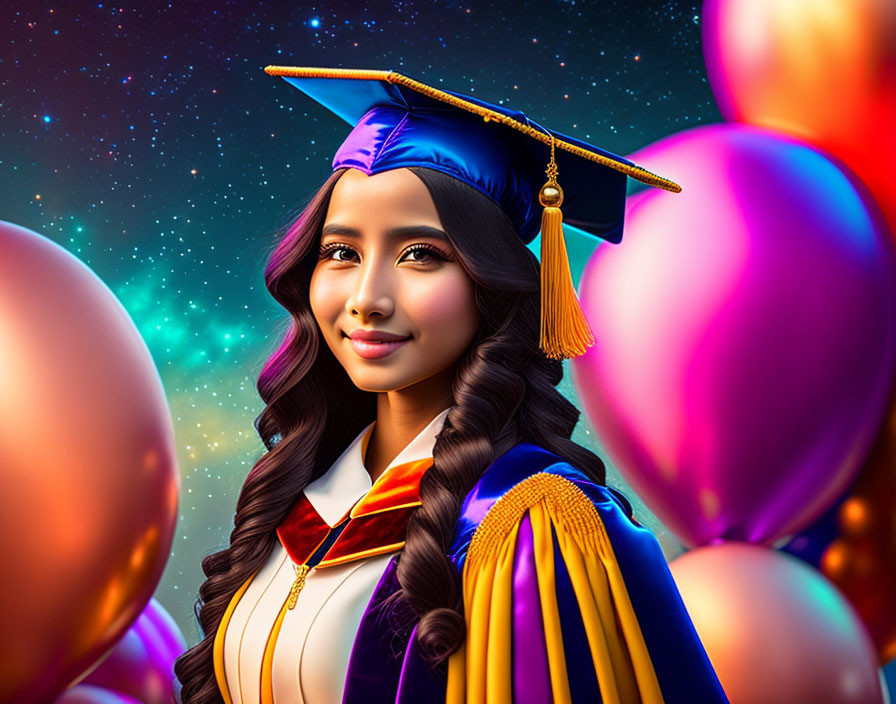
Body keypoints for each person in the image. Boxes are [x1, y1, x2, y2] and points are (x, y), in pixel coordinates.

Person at [174, 67, 730, 704]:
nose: (366, 300)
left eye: (421, 255)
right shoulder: (302, 494)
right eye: (341, 252)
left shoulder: (529, 530)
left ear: (488, 285)